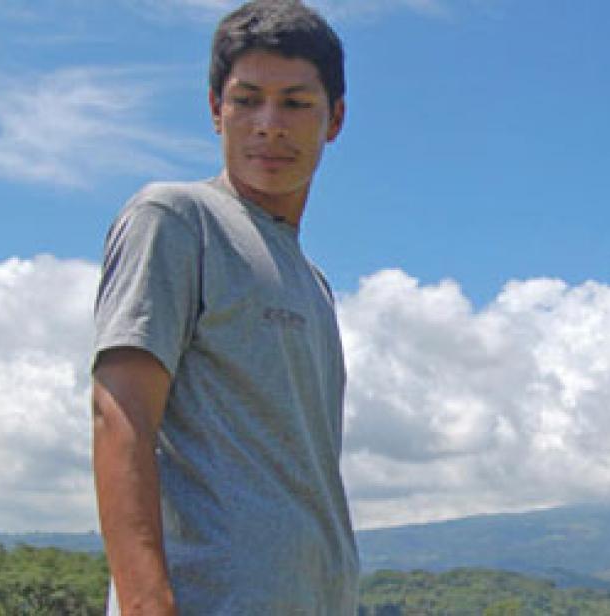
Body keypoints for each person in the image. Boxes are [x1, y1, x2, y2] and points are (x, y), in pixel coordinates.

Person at [91, 1, 358, 613]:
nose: (269, 124)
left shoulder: (312, 281)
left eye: (295, 102)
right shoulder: (176, 219)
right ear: (216, 109)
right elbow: (119, 415)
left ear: (335, 119)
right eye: (246, 100)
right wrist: (143, 603)